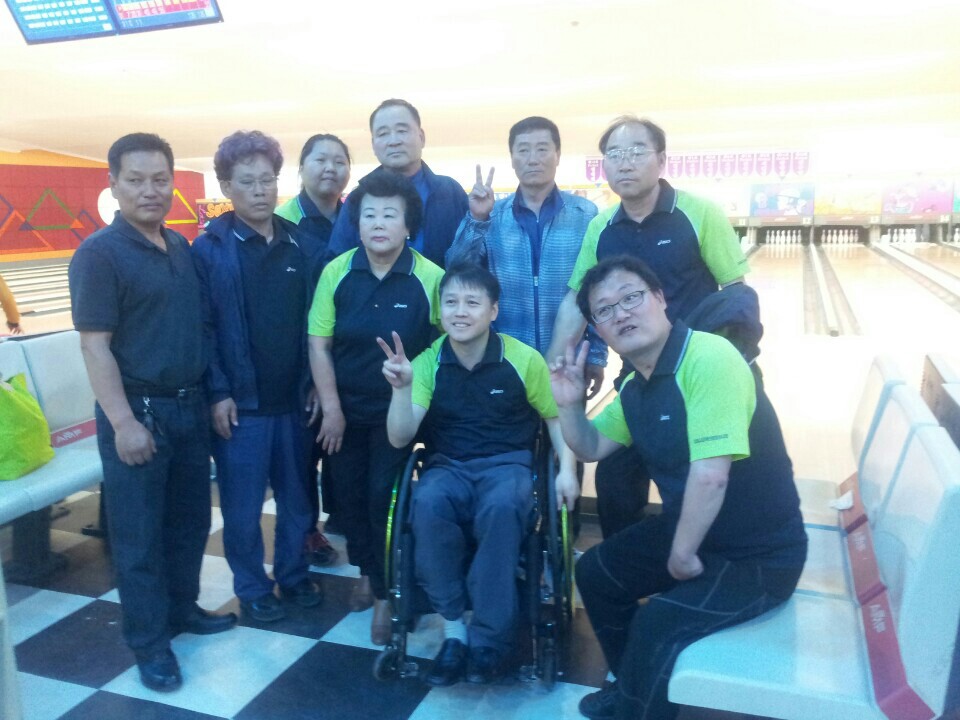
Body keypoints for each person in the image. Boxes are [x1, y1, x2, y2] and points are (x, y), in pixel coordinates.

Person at [550, 256, 806, 720]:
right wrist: (569, 405)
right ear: (599, 330)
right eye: (604, 310)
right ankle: (631, 685)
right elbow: (590, 446)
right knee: (596, 573)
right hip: (697, 531)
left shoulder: (709, 358)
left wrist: (681, 555)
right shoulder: (636, 387)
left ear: (660, 299)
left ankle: (636, 706)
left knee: (658, 624)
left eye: (631, 297)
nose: (621, 313)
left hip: (759, 555)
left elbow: (711, 475)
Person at [69, 133, 236, 692]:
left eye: (160, 179)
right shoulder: (99, 255)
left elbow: (198, 328)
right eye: (136, 180)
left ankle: (182, 609)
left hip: (188, 407)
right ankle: (149, 643)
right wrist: (123, 423)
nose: (150, 190)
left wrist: (211, 394)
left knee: (189, 523)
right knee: (139, 538)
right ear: (113, 186)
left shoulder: (179, 246)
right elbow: (94, 346)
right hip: (139, 412)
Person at [546, 116, 750, 538]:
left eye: (637, 151)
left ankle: (700, 558)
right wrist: (558, 359)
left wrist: (729, 362)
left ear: (661, 159)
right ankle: (628, 562)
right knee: (615, 481)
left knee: (699, 477)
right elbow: (576, 300)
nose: (625, 162)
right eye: (614, 154)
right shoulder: (601, 227)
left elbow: (736, 293)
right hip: (637, 376)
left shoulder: (699, 213)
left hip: (697, 374)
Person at [379, 264, 579, 687]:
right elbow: (400, 437)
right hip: (447, 466)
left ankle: (488, 639)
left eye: (472, 302)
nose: (460, 311)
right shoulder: (427, 363)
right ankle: (454, 632)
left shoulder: (523, 359)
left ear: (493, 311)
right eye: (451, 302)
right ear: (440, 310)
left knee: (503, 507)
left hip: (507, 465)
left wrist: (567, 471)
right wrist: (401, 390)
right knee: (426, 502)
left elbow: (555, 418)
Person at [192, 130, 322, 625]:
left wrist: (316, 382)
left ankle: (293, 573)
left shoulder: (301, 246)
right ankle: (251, 587)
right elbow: (203, 328)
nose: (260, 190)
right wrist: (218, 391)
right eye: (247, 181)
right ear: (227, 187)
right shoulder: (209, 250)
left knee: (297, 501)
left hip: (294, 400)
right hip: (241, 406)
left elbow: (318, 325)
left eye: (267, 179)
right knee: (242, 509)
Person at [308, 171, 444, 646]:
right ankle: (367, 570)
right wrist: (331, 409)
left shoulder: (430, 277)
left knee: (381, 499)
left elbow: (445, 344)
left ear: (409, 226)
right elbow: (319, 344)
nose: (379, 223)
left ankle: (386, 593)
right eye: (369, 215)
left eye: (390, 214)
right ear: (357, 224)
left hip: (400, 416)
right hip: (346, 412)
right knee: (347, 501)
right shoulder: (337, 271)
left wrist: (416, 391)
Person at [446, 115, 606, 394]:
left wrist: (595, 354)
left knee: (564, 423)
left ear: (558, 155)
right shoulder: (492, 214)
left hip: (568, 362)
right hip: (503, 360)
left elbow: (596, 289)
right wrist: (477, 219)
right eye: (523, 150)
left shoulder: (585, 215)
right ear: (512, 158)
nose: (533, 159)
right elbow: (457, 270)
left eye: (542, 149)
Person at [276, 133, 352, 567]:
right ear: (301, 168)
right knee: (302, 452)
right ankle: (306, 531)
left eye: (339, 161)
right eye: (320, 160)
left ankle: (342, 515)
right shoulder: (282, 221)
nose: (330, 168)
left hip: (345, 353)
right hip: (299, 358)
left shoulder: (354, 216)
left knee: (341, 444)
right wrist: (310, 376)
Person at [326, 98, 468, 268]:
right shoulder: (359, 197)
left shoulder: (450, 192)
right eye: (383, 134)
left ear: (421, 137)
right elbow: (337, 263)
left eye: (402, 131)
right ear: (373, 145)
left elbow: (471, 258)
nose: (394, 141)